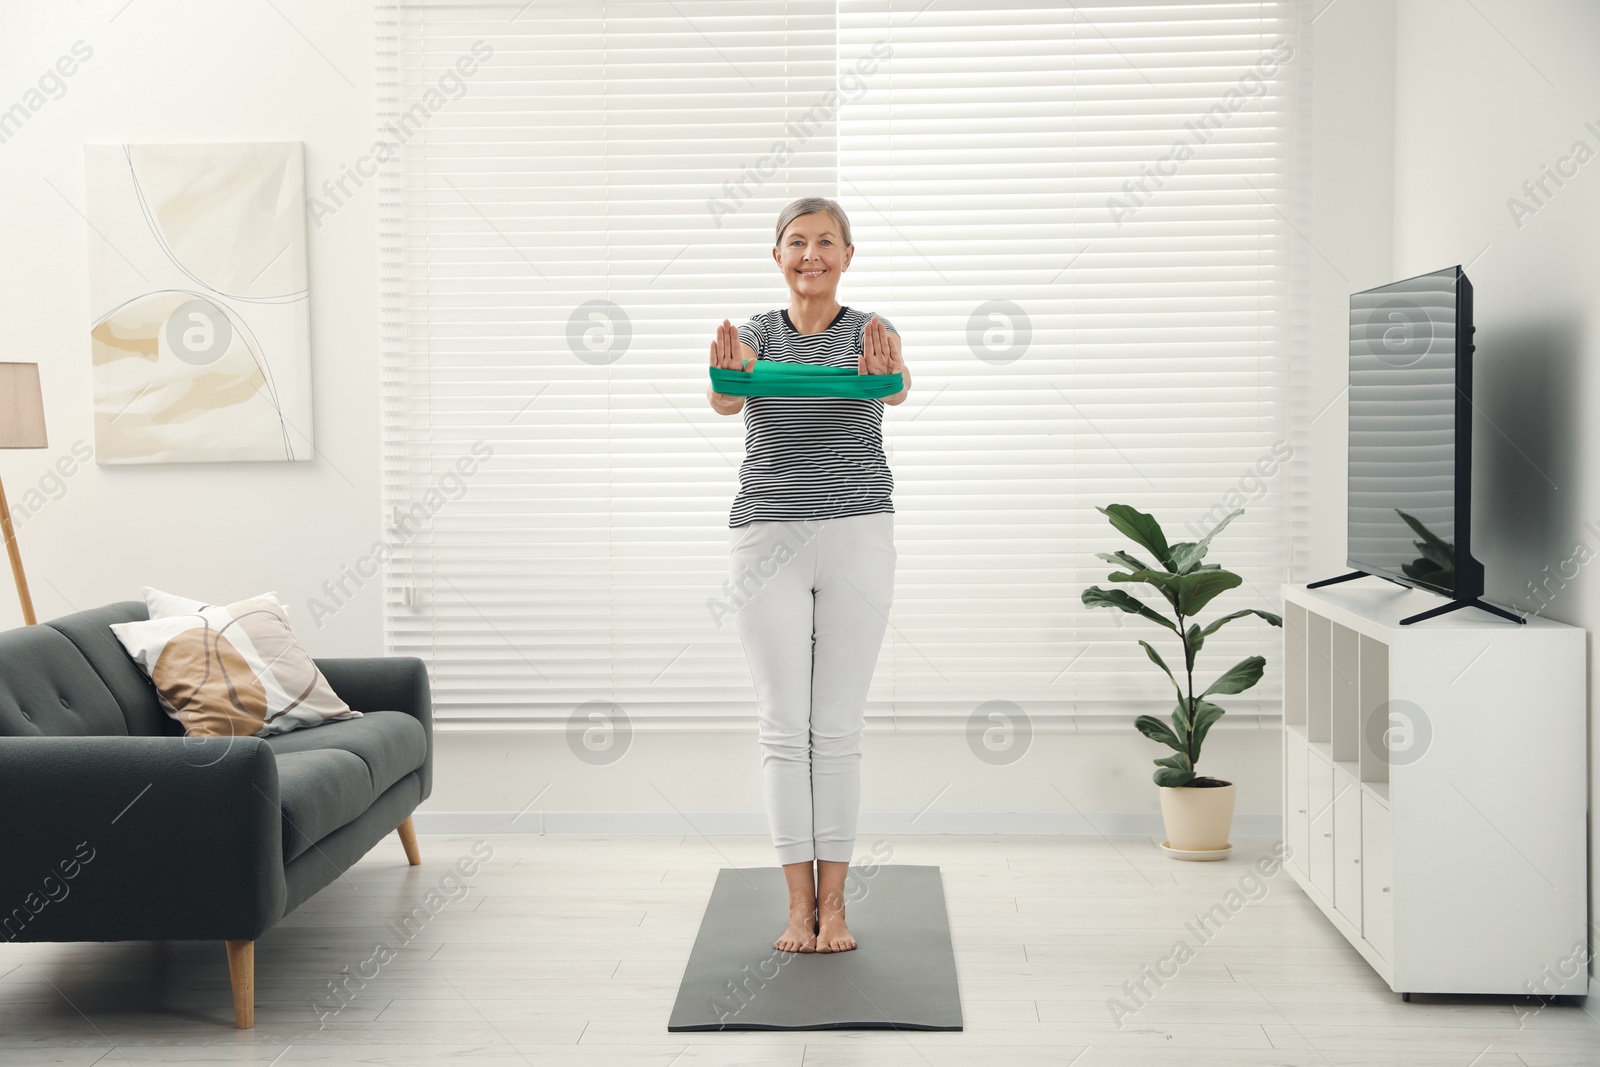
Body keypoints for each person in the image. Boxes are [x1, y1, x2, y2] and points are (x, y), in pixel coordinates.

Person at [706, 195, 912, 954]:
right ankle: (799, 908)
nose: (811, 254)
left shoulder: (871, 331)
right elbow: (727, 399)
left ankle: (838, 903)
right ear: (778, 256)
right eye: (797, 242)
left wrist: (889, 380)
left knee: (838, 728)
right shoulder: (755, 334)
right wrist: (730, 376)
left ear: (848, 255)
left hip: (859, 533)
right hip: (767, 536)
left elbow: (893, 386)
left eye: (827, 242)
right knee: (783, 726)